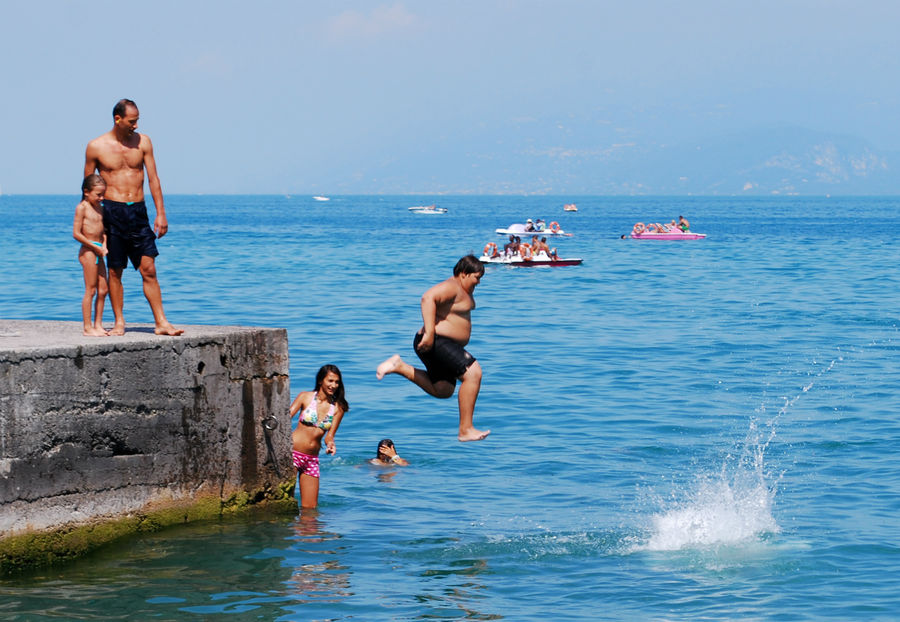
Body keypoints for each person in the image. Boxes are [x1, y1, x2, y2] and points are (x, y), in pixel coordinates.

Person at [84, 98, 182, 336]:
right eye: (132, 121)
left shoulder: (143, 142)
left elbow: (154, 179)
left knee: (149, 268)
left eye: (137, 120)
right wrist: (90, 225)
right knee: (116, 270)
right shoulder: (96, 146)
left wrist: (161, 213)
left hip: (138, 211)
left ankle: (161, 322)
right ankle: (119, 322)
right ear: (118, 119)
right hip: (112, 211)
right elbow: (87, 189)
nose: (136, 126)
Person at [376, 255, 490, 442]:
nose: (479, 282)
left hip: (442, 343)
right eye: (476, 277)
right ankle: (465, 429)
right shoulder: (452, 286)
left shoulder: (463, 289)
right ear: (464, 274)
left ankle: (399, 366)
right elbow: (428, 298)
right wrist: (429, 333)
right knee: (473, 373)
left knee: (443, 390)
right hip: (436, 341)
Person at [290, 364, 349, 509]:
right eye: (330, 381)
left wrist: (330, 445)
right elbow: (285, 417)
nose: (333, 385)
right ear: (320, 381)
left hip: (311, 460)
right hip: (292, 454)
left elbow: (329, 436)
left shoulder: (337, 408)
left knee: (310, 509)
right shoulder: (305, 397)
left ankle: (306, 532)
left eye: (337, 382)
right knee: (284, 498)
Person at [73, 174, 110, 336]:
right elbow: (76, 233)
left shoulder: (100, 207)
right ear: (87, 192)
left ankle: (98, 324)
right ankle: (87, 327)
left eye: (103, 194)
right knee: (91, 290)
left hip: (99, 250)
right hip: (88, 251)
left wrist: (104, 245)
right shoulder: (82, 207)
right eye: (98, 195)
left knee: (103, 289)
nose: (101, 198)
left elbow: (104, 232)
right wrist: (93, 247)